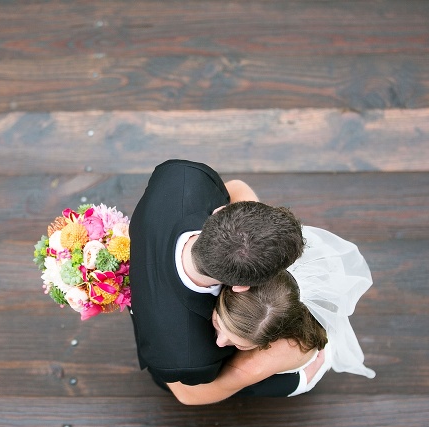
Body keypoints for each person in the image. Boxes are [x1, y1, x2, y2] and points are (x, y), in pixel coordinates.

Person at [129, 159, 306, 395]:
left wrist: (253, 238)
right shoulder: (190, 358)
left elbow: (235, 187)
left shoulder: (184, 175)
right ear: (241, 286)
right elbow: (189, 395)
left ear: (221, 212)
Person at [167, 226, 376, 405]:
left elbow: (188, 395)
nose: (221, 342)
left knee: (235, 386)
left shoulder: (254, 364)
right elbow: (238, 187)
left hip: (289, 375)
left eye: (241, 344)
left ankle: (301, 382)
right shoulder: (261, 266)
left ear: (271, 339)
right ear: (236, 286)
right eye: (218, 323)